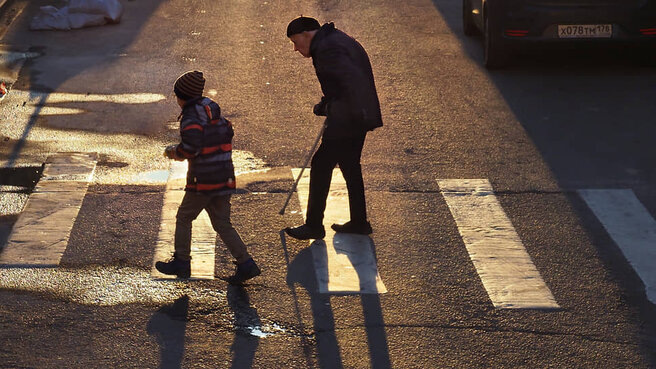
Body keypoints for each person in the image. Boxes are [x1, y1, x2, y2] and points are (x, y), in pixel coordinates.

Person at [155, 71, 260, 284]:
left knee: (184, 217)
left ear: (182, 96)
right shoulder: (213, 113)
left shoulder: (191, 118)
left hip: (202, 180)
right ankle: (246, 263)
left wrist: (175, 152)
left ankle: (182, 261)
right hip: (224, 176)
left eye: (177, 95)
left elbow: (191, 148)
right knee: (222, 222)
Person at [284, 17, 383, 240]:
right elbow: (341, 83)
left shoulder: (328, 49)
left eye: (296, 42)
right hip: (359, 113)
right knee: (349, 165)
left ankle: (314, 225)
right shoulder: (335, 41)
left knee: (321, 164)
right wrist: (329, 103)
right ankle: (359, 221)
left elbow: (347, 84)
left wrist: (329, 106)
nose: (296, 49)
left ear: (308, 35)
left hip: (348, 116)